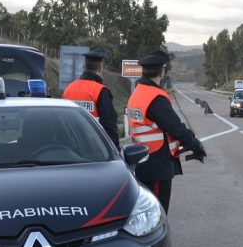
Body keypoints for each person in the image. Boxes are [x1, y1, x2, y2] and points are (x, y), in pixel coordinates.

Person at [126, 50, 206, 213]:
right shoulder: (155, 97)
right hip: (157, 163)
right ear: (161, 72)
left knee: (145, 210)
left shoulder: (137, 93)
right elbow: (176, 128)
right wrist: (195, 144)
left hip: (141, 159)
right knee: (157, 212)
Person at [62, 47, 120, 151]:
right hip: (94, 150)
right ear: (100, 69)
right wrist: (115, 150)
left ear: (83, 67)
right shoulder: (101, 91)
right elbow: (109, 126)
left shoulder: (68, 89)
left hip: (70, 148)